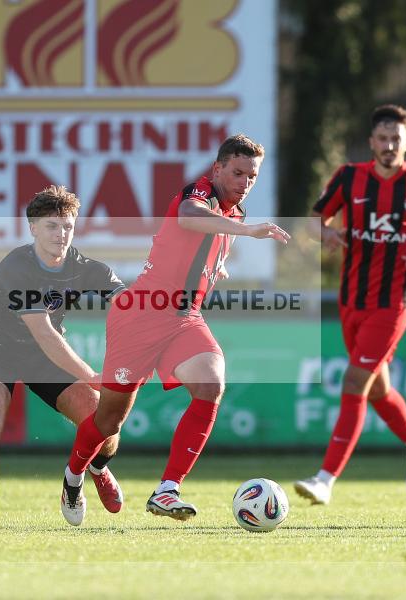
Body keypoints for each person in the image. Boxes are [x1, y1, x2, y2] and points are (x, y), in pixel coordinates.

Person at [57, 133, 291, 526]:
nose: (245, 182)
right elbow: (187, 215)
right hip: (141, 315)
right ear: (217, 169)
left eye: (252, 176)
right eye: (238, 173)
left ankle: (167, 489)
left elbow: (196, 250)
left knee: (211, 385)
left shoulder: (233, 214)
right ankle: (75, 475)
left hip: (184, 318)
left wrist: (216, 267)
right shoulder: (200, 193)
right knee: (109, 421)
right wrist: (250, 232)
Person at [295, 105, 406, 506]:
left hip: (394, 301)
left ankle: (325, 479)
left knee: (354, 383)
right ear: (371, 142)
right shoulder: (349, 178)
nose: (389, 145)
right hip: (351, 299)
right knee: (379, 388)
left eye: (396, 139)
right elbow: (313, 221)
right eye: (382, 139)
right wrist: (326, 234)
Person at [0, 185, 126, 530]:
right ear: (33, 228)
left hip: (41, 358)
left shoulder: (84, 267)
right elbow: (45, 334)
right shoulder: (16, 266)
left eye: (67, 226)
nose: (61, 234)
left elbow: (130, 305)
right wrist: (91, 375)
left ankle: (97, 468)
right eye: (52, 226)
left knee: (104, 418)